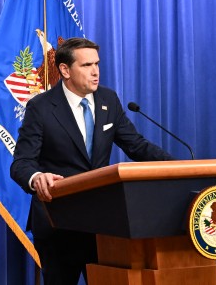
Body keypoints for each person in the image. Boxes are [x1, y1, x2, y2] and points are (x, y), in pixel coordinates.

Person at [10, 37, 174, 285]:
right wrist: (36, 177)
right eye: (87, 65)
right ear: (64, 70)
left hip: (104, 224)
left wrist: (177, 167)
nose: (96, 71)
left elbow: (137, 146)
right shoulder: (41, 107)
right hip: (59, 225)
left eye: (97, 64)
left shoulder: (108, 100)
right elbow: (21, 163)